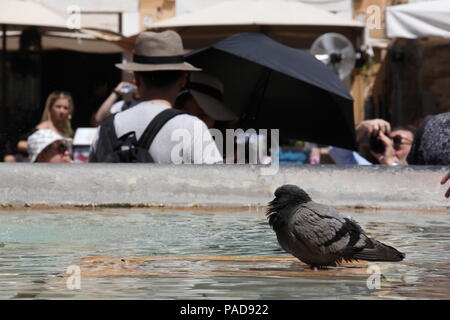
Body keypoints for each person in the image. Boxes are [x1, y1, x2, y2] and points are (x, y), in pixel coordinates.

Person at [89, 31, 223, 164]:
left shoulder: (106, 128)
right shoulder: (191, 127)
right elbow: (215, 182)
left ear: (136, 78)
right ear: (183, 79)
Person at [329, 119, 415, 165]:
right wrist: (361, 128)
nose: (389, 150)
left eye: (397, 146)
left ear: (415, 146)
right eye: (386, 144)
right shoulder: (372, 173)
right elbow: (337, 151)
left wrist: (390, 164)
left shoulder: (424, 170)